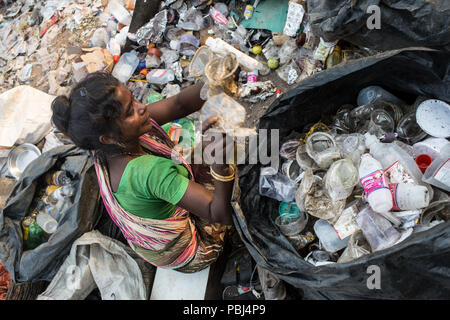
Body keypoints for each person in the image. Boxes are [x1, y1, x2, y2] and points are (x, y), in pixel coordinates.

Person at [51, 71, 235, 273]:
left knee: (204, 153)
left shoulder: (109, 145)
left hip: (155, 242)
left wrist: (219, 80)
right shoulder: (148, 172)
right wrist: (220, 166)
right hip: (193, 251)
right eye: (130, 111)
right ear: (109, 137)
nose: (141, 107)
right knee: (231, 166)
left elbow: (179, 105)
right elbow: (220, 214)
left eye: (133, 99)